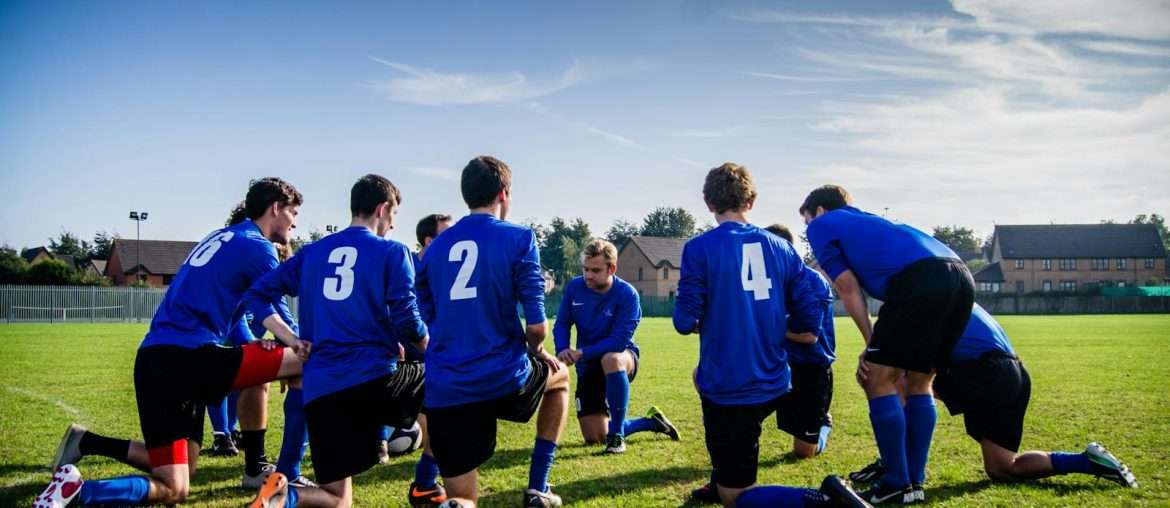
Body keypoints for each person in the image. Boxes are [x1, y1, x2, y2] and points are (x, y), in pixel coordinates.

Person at [37, 178, 308, 508]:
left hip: (155, 360)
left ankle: (79, 482)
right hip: (190, 358)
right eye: (293, 212)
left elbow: (231, 310)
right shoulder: (258, 247)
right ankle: (280, 471)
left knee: (176, 484)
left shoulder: (221, 238)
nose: (295, 222)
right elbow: (272, 307)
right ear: (276, 208)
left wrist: (260, 345)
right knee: (307, 361)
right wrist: (298, 343)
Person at [674, 163, 870, 508]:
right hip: (777, 378)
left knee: (735, 499)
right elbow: (810, 314)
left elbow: (684, 320)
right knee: (711, 402)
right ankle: (723, 476)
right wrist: (770, 323)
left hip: (731, 386)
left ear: (708, 203)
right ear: (751, 201)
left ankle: (824, 499)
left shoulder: (699, 248)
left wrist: (718, 316)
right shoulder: (782, 248)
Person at [243, 174, 435, 508]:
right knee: (453, 389)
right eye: (393, 217)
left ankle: (281, 497)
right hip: (372, 381)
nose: (391, 226)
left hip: (320, 390)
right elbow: (407, 320)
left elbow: (257, 295)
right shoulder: (393, 251)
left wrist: (290, 338)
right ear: (382, 208)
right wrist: (432, 349)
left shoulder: (312, 253)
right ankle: (426, 483)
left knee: (336, 498)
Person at [801, 185, 975, 504]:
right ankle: (914, 483)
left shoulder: (823, 224)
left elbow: (848, 287)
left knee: (877, 378)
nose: (808, 228)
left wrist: (872, 342)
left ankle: (896, 480)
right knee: (919, 381)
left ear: (819, 211)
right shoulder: (866, 222)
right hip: (961, 275)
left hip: (920, 279)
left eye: (807, 220)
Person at [849, 304, 1137, 496]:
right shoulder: (951, 288)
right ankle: (1087, 461)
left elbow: (907, 363)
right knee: (1002, 467)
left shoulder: (925, 296)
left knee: (895, 381)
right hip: (1014, 373)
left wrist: (872, 362)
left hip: (984, 370)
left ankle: (895, 466)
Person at [416, 155, 570, 508]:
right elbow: (536, 325)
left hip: (447, 385)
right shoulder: (519, 237)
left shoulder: (434, 247)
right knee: (559, 378)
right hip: (502, 377)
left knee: (462, 499)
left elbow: (422, 317)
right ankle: (538, 487)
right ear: (503, 193)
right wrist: (535, 349)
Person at [690, 223, 837, 504]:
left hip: (808, 369)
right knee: (728, 416)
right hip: (771, 365)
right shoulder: (754, 280)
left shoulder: (811, 281)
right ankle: (721, 478)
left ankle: (823, 427)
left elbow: (808, 335)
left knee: (804, 451)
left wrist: (755, 326)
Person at [553, 238, 680, 455]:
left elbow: (618, 342)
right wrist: (563, 348)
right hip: (588, 365)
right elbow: (562, 323)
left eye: (595, 270)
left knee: (611, 358)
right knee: (595, 437)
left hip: (623, 359)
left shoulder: (627, 294)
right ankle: (651, 422)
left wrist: (581, 352)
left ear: (612, 268)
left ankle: (618, 436)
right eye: (585, 269)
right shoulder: (575, 287)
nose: (588, 275)